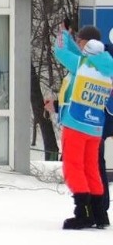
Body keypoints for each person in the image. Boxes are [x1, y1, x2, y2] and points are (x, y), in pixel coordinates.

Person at [53, 24, 113, 229]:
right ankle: (99, 214)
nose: (78, 46)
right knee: (91, 169)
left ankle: (83, 213)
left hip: (76, 124)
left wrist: (62, 33)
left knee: (73, 168)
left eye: (80, 43)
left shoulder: (82, 65)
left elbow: (61, 51)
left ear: (86, 46)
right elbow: (74, 54)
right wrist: (71, 38)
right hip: (95, 127)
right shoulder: (106, 67)